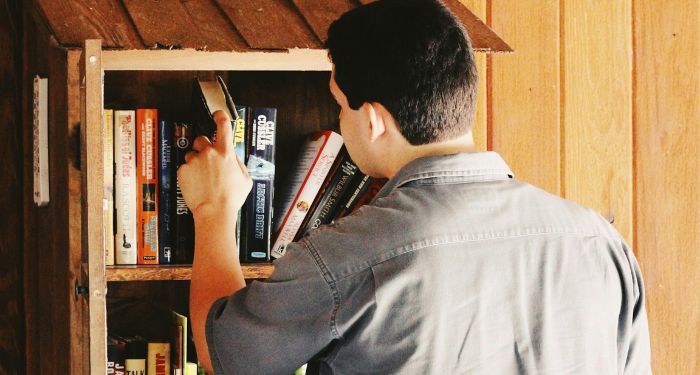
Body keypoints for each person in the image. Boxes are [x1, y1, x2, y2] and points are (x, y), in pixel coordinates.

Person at [177, 0, 651, 373]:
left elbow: (226, 355)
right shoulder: (599, 241)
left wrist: (213, 210)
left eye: (340, 104)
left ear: (374, 120)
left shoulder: (349, 256)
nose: (341, 123)